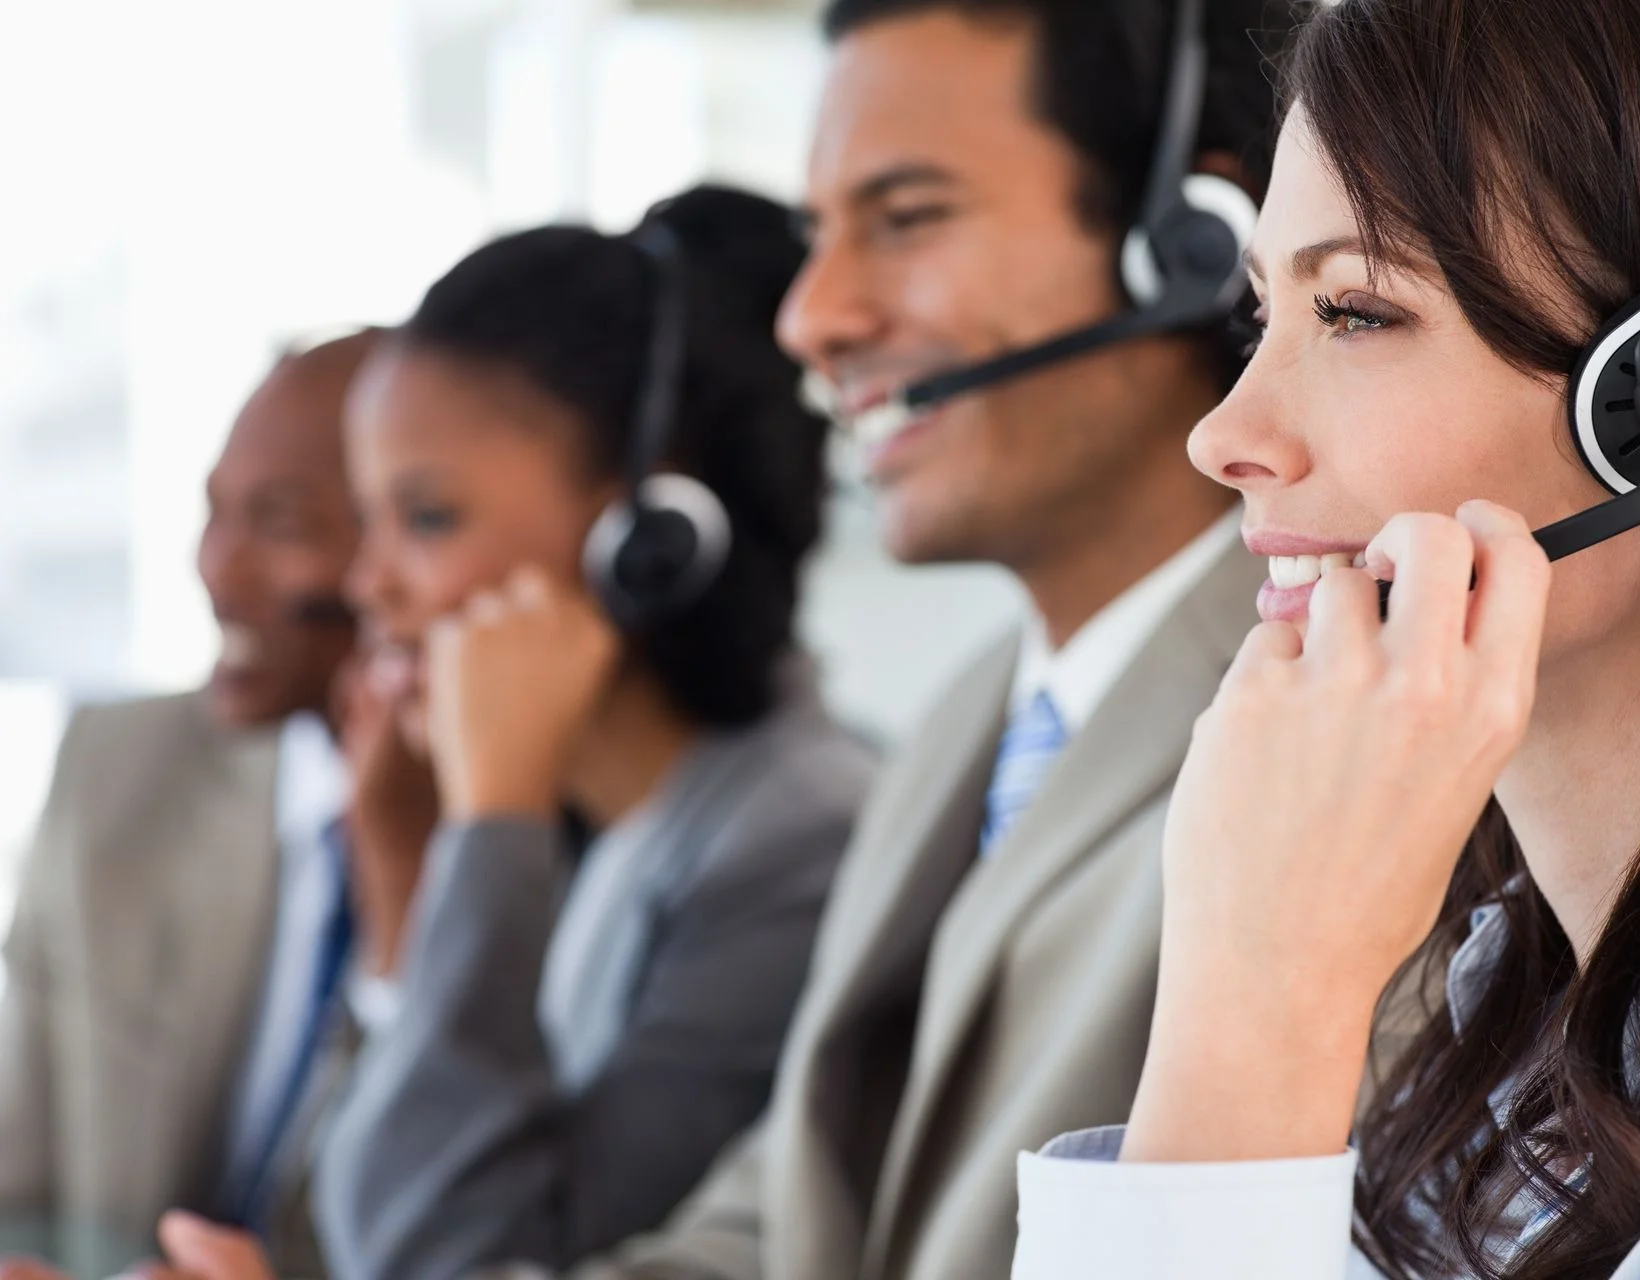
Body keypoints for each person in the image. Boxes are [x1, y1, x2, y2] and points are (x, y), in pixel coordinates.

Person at [139, 3, 1306, 1280]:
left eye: (906, 217)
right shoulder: (970, 729)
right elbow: (756, 1245)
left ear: (1191, 244)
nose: (812, 318)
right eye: (819, 240)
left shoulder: (1339, 742)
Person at [1011, 0, 1640, 1276]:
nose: (1223, 435)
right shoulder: (1514, 1014)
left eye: (1356, 313)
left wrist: (1260, 1009)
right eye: (1260, 314)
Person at [299, 185, 877, 1280]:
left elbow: (449, 1251)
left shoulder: (795, 847)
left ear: (646, 535)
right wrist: (405, 890)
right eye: (366, 519)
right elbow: (353, 1207)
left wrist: (491, 823)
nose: (367, 583)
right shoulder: (608, 827)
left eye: (427, 518)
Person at [0, 330, 379, 1279]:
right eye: (216, 514)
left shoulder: (528, 851)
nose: (218, 569)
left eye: (282, 524)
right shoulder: (118, 772)